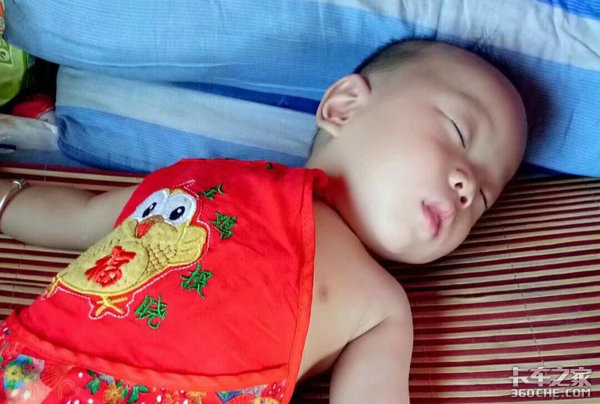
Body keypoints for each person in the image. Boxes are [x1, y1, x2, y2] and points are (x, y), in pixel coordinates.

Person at [0, 40, 527, 404]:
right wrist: (7, 199)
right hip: (30, 362)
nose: (467, 186)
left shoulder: (382, 308)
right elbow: (81, 215)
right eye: (459, 133)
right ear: (345, 107)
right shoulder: (204, 179)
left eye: (482, 197)